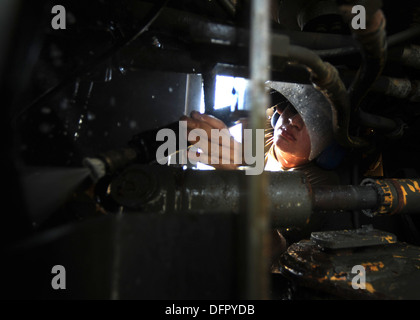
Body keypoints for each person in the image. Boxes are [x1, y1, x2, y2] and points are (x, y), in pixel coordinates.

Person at [181, 81, 346, 261]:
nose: (294, 122)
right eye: (293, 109)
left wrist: (239, 179)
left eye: (312, 122)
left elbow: (273, 248)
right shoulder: (267, 136)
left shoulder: (320, 186)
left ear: (326, 144)